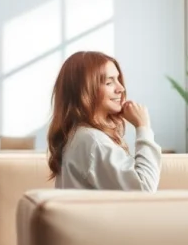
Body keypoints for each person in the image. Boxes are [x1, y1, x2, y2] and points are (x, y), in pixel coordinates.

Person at [47, 51, 162, 191]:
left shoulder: (79, 135)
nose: (121, 88)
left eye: (118, 79)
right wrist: (143, 127)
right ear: (86, 91)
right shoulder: (93, 141)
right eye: (109, 82)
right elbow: (144, 190)